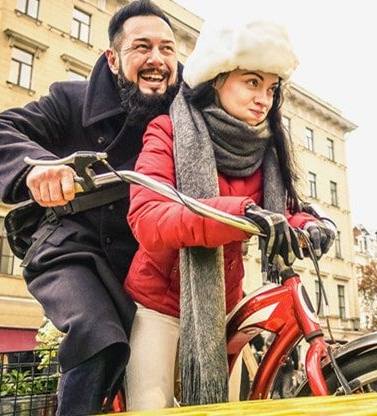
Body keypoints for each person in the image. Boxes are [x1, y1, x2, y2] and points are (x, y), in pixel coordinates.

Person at [0, 1, 181, 413]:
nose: (157, 59)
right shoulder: (72, 100)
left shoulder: (187, 116)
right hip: (71, 252)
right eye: (142, 47)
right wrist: (37, 167)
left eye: (167, 49)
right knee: (98, 335)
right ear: (112, 59)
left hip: (146, 261)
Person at [122, 18, 336, 410]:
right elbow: (149, 217)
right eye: (252, 82)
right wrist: (241, 213)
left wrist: (309, 225)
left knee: (226, 409)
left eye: (271, 88)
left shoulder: (266, 149)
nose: (263, 98)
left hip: (225, 308)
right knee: (149, 408)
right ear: (217, 79)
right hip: (159, 306)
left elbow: (282, 212)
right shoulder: (168, 130)